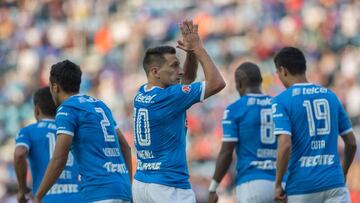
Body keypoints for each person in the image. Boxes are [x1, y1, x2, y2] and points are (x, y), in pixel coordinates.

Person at [132, 20, 226, 203]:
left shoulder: (143, 92)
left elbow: (187, 79)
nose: (180, 71)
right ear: (155, 72)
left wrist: (189, 52)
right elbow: (217, 83)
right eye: (174, 66)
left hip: (142, 183)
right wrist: (198, 48)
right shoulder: (169, 97)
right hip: (168, 186)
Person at [34, 60, 132, 203]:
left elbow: (59, 159)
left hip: (98, 191)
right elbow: (126, 147)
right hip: (122, 189)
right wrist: (128, 186)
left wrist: (39, 195)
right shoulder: (100, 105)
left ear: (55, 87)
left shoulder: (67, 109)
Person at [272, 47, 357, 203]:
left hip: (301, 187)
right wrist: (342, 172)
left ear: (283, 70)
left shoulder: (281, 101)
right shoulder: (331, 96)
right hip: (334, 184)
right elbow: (351, 142)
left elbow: (285, 145)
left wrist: (278, 184)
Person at [208, 62, 277, 203]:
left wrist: (213, 187)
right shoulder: (278, 105)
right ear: (261, 81)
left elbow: (227, 152)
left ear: (239, 84)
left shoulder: (235, 109)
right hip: (279, 182)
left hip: (251, 182)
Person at [14, 87, 81, 203]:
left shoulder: (28, 131)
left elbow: (19, 153)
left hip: (47, 198)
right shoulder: (74, 129)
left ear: (36, 110)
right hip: (79, 197)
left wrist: (22, 188)